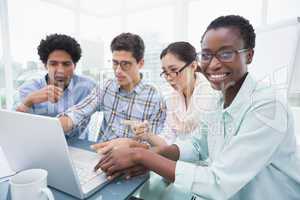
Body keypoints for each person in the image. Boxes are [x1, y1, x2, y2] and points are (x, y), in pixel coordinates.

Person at [95, 15, 300, 200]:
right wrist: (152, 152)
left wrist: (142, 155)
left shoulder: (267, 106)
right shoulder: (217, 100)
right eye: (207, 55)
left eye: (226, 54)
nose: (213, 64)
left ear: (249, 55)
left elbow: (219, 182)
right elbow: (196, 145)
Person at [93, 41, 218, 154]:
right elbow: (168, 139)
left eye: (174, 70)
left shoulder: (211, 96)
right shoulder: (171, 96)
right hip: (177, 159)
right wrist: (147, 135)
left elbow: (197, 148)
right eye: (165, 72)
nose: (169, 78)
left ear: (193, 66)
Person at [59, 33, 166, 142]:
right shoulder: (106, 86)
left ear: (141, 63)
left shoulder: (155, 97)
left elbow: (156, 145)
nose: (118, 71)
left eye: (126, 64)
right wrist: (56, 126)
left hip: (135, 156)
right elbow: (79, 112)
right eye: (115, 63)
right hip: (101, 154)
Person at [16, 33, 96, 137]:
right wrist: (29, 101)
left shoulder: (88, 87)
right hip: (40, 144)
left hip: (77, 146)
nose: (60, 71)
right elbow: (16, 126)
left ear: (74, 66)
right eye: (53, 64)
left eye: (66, 64)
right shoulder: (28, 89)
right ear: (45, 65)